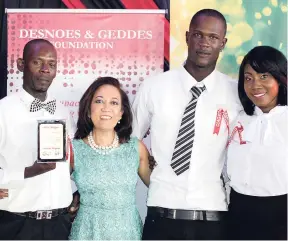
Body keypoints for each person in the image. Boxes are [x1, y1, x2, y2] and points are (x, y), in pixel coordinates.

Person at [132, 9, 242, 240]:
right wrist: (151, 176)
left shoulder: (235, 93)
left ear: (223, 43)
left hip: (212, 217)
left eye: (213, 37)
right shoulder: (154, 87)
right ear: (187, 36)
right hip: (161, 214)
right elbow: (130, 140)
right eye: (198, 35)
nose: (204, 43)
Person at [0, 39, 77, 240]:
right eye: (37, 62)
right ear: (20, 64)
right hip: (17, 225)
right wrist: (27, 172)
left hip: (59, 224)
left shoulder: (62, 111)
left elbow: (69, 162)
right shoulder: (3, 111)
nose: (45, 69)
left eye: (51, 64)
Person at [69, 77, 151, 240]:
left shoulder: (136, 148)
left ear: (121, 112)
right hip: (87, 233)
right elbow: (49, 187)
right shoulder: (73, 149)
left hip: (127, 233)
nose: (106, 108)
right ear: (88, 108)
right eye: (99, 101)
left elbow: (161, 187)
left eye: (114, 103)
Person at [225, 46, 287, 240]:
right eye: (249, 78)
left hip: (281, 216)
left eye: (264, 76)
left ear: (280, 77)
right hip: (237, 214)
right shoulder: (237, 119)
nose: (255, 85)